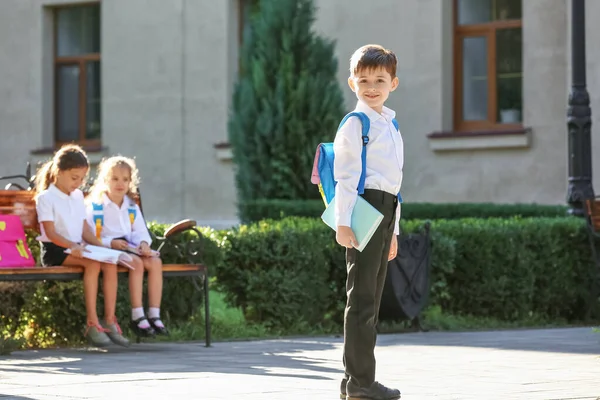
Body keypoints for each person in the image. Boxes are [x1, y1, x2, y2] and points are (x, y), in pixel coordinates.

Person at [334, 44, 403, 400]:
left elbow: (394, 183)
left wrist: (395, 231)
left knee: (371, 301)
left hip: (385, 210)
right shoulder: (355, 123)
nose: (371, 86)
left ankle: (358, 382)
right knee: (360, 300)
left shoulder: (389, 125)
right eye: (363, 80)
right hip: (363, 209)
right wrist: (343, 223)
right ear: (352, 83)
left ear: (393, 82)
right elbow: (345, 177)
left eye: (379, 79)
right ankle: (360, 384)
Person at [34, 144, 129, 347]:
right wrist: (73, 246)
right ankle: (92, 323)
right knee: (93, 265)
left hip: (76, 248)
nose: (78, 183)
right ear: (59, 172)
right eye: (74, 178)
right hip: (56, 250)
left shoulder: (77, 196)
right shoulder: (45, 198)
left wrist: (103, 248)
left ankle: (110, 320)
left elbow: (85, 229)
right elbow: (50, 233)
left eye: (82, 179)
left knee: (109, 262)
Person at [86, 156, 168, 338]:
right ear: (105, 180)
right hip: (107, 249)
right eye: (114, 179)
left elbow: (139, 231)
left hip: (129, 247)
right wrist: (110, 243)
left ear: (131, 182)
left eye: (125, 179)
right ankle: (137, 315)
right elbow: (89, 235)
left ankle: (154, 314)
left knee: (155, 262)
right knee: (136, 264)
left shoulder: (131, 206)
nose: (120, 184)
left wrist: (144, 244)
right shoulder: (97, 206)